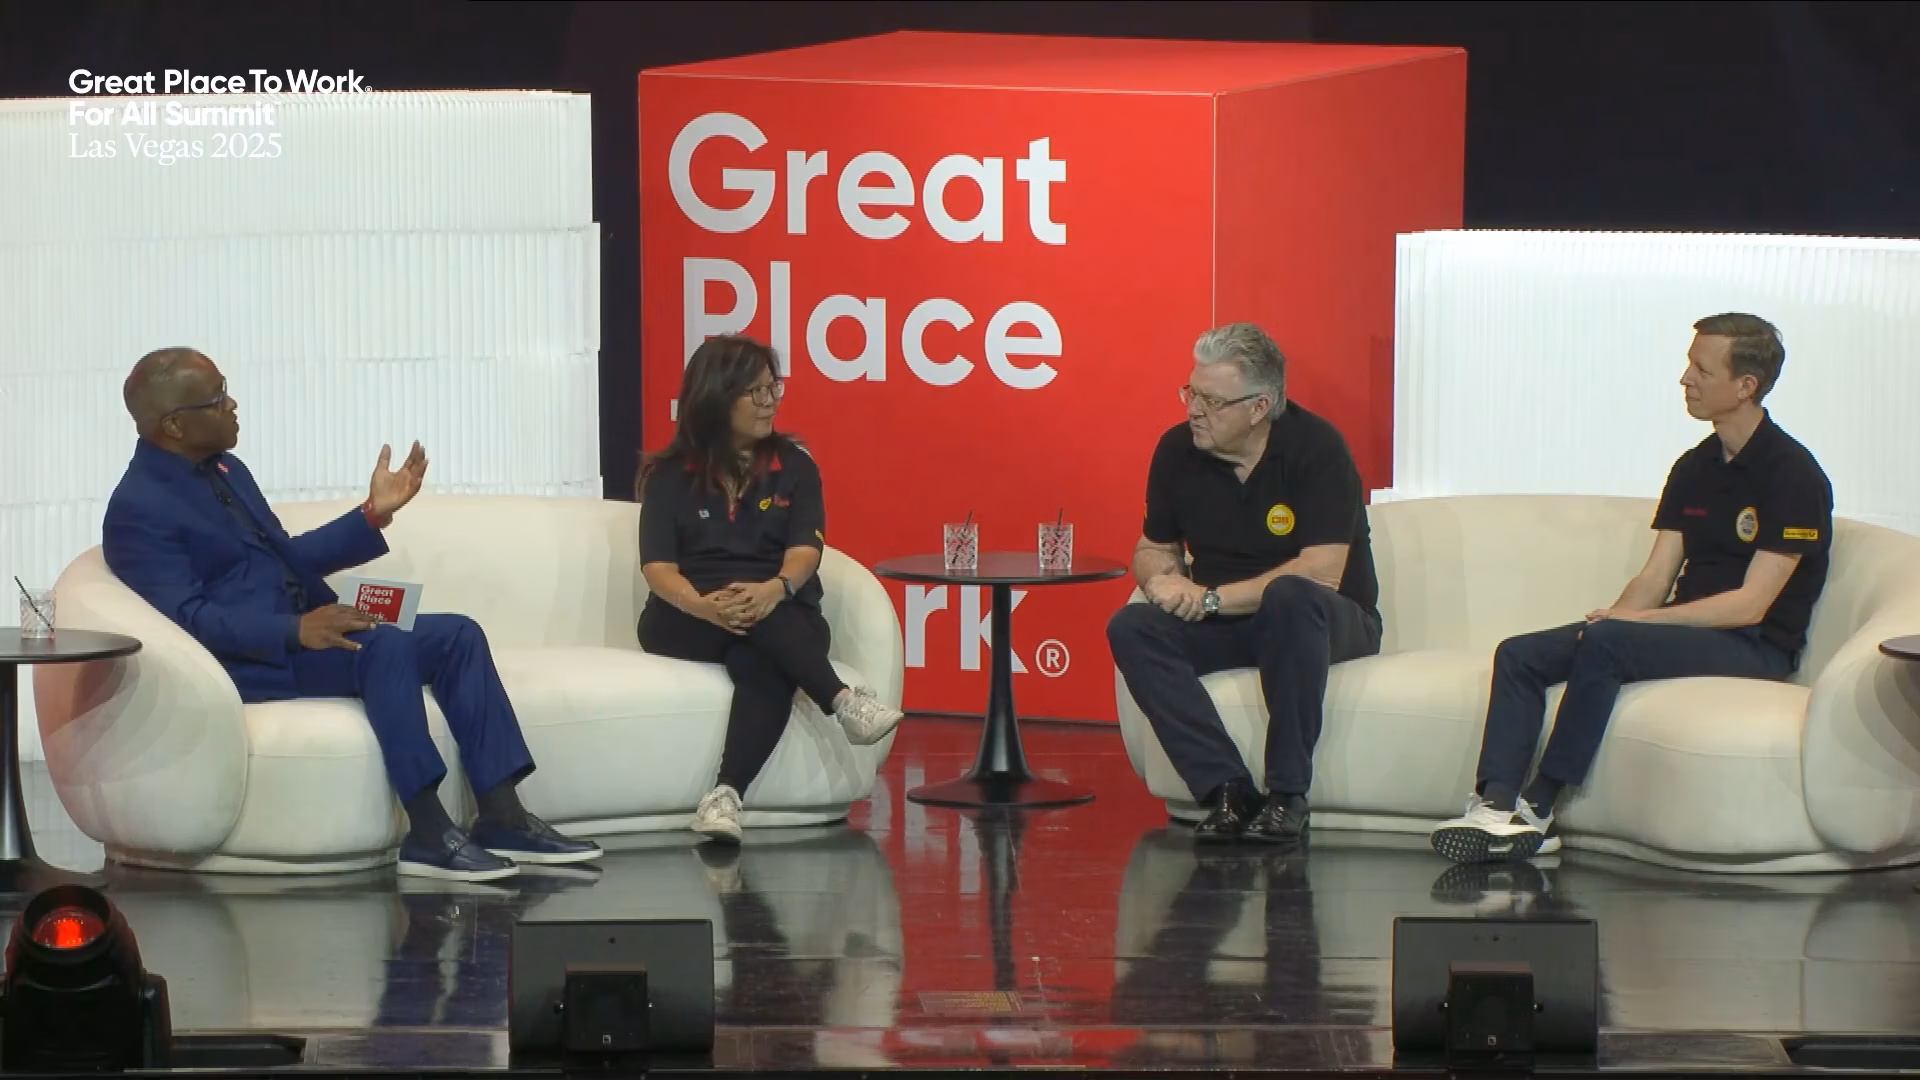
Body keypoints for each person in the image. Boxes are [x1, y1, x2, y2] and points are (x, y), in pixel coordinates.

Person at [102, 347, 601, 882]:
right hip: (254, 660)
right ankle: (428, 831)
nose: (233, 404)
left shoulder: (227, 470)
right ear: (175, 425)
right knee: (385, 644)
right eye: (218, 397)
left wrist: (371, 514)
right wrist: (295, 630)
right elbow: (190, 619)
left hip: (305, 629)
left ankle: (502, 816)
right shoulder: (138, 507)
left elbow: (283, 556)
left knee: (458, 634)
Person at [1430, 313, 1832, 864]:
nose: (1685, 379)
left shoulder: (1793, 474)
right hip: (1689, 630)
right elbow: (1656, 577)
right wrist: (1613, 618)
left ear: (1746, 386)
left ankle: (1540, 808)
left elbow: (1751, 604)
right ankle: (1495, 805)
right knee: (1520, 654)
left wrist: (1629, 626)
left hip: (1756, 645)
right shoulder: (1694, 467)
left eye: (1701, 369)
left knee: (1610, 640)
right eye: (1689, 365)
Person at [1107, 323, 1383, 846]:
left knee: (1289, 597)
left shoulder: (1317, 448)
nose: (1194, 411)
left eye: (1212, 401)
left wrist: (1210, 599)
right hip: (1230, 622)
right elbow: (1153, 546)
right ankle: (1226, 790)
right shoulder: (1177, 450)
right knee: (1132, 626)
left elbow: (1321, 572)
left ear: (1260, 407)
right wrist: (1163, 580)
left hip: (1325, 621)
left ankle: (1287, 795)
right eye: (1191, 393)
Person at [637, 334, 903, 844]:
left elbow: (805, 551)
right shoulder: (670, 475)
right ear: (718, 396)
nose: (769, 402)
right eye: (754, 392)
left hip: (781, 607)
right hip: (687, 616)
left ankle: (724, 797)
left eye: (772, 388)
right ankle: (841, 700)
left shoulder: (794, 466)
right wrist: (703, 606)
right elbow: (658, 567)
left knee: (761, 657)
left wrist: (776, 589)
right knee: (767, 637)